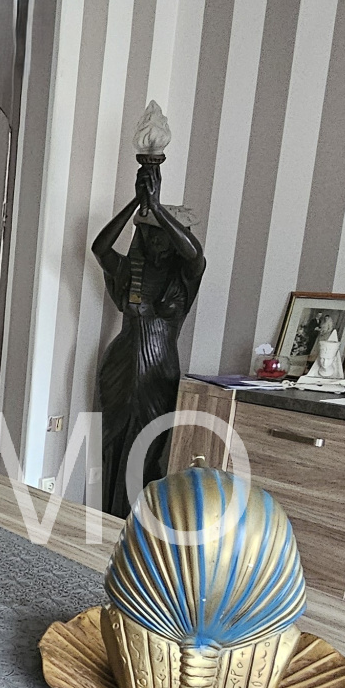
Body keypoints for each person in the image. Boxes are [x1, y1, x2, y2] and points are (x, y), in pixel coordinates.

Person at [91, 162, 204, 516]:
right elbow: (100, 248)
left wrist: (155, 207)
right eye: (148, 233)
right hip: (120, 364)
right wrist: (135, 203)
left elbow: (195, 253)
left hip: (159, 372)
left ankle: (134, 525)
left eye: (161, 235)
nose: (155, 241)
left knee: (148, 450)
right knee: (112, 447)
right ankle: (107, 521)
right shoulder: (129, 270)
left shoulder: (185, 277)